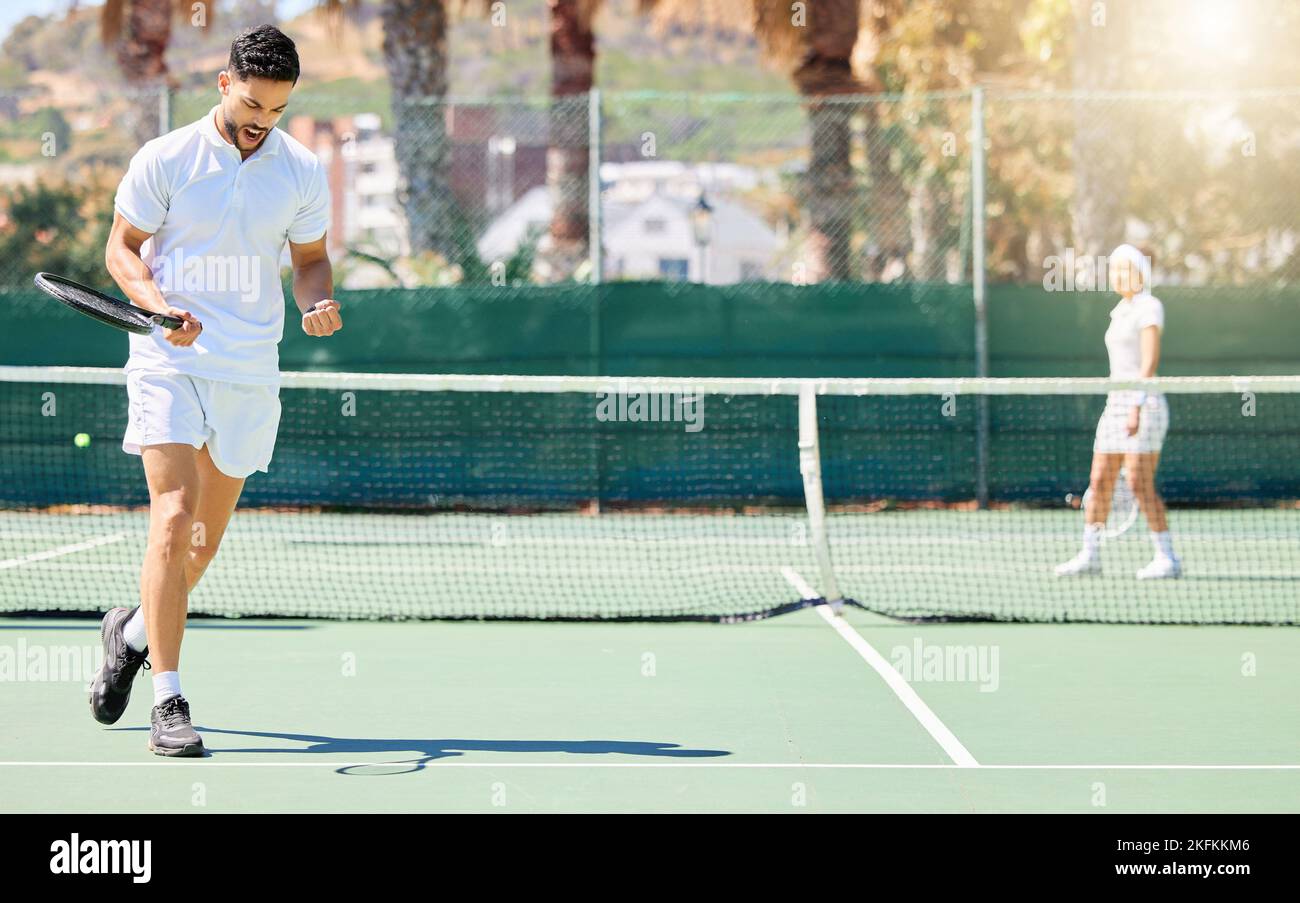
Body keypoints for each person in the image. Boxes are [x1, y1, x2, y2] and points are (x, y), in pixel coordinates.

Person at [89, 25, 342, 756]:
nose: (262, 122)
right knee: (171, 521)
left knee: (199, 545)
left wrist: (313, 301)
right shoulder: (165, 158)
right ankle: (168, 701)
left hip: (249, 368)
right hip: (167, 361)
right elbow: (122, 249)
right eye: (253, 104)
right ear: (224, 83)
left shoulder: (298, 170)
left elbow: (313, 259)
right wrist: (159, 305)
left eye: (278, 110)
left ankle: (131, 630)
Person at [1055, 243, 1181, 581]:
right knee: (1099, 481)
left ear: (1142, 273)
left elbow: (1149, 362)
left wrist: (1137, 405)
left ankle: (1167, 557)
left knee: (1139, 483)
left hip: (1146, 404)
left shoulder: (1149, 306)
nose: (1119, 275)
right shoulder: (1118, 311)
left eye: (1126, 269)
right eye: (1114, 270)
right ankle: (1090, 554)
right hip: (1116, 405)